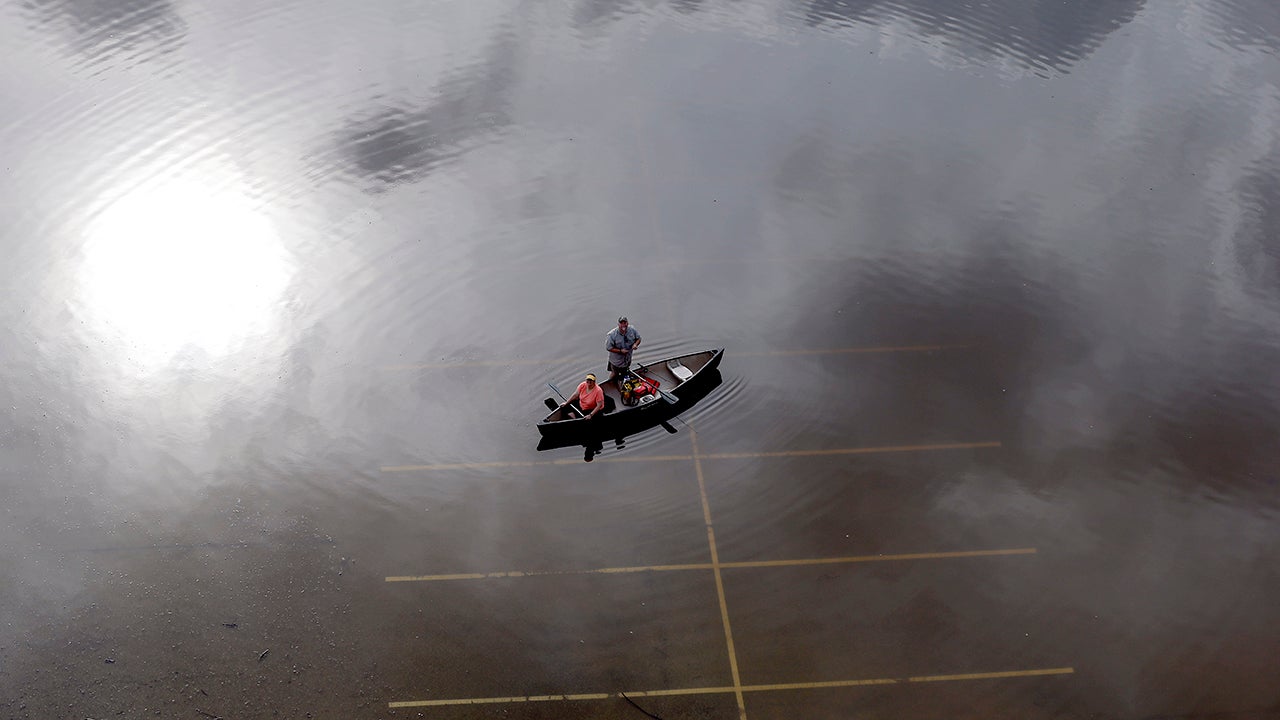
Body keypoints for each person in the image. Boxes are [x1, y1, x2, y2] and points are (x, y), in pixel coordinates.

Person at [605, 316, 641, 386]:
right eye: (621, 323)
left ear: (627, 323)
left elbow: (638, 339)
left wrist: (635, 344)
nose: (623, 325)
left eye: (625, 323)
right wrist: (620, 351)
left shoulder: (632, 330)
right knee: (614, 373)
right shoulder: (611, 335)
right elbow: (608, 348)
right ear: (618, 324)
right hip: (616, 361)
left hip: (627, 359)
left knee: (625, 371)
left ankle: (622, 383)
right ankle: (611, 384)